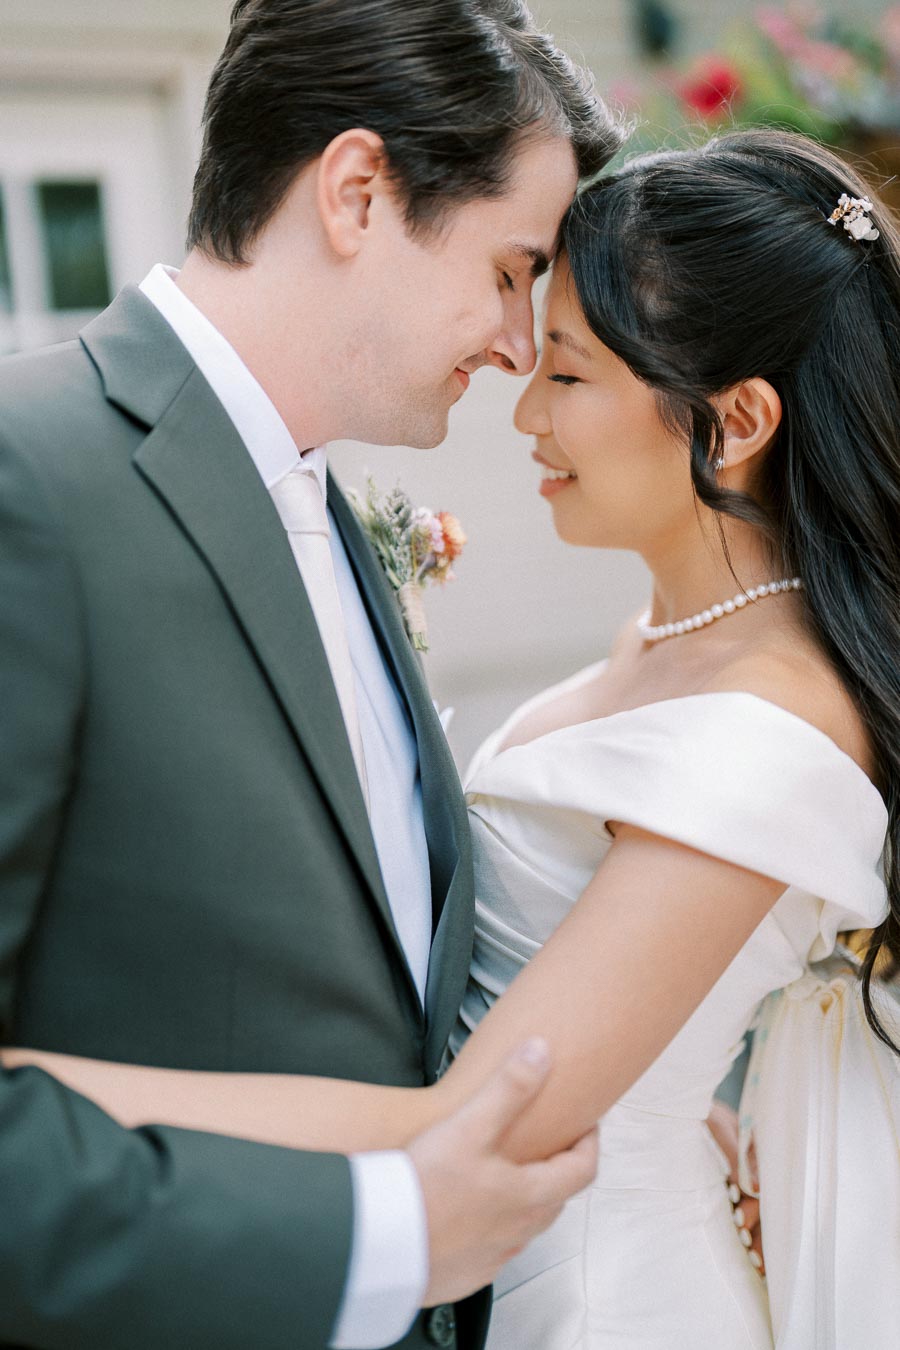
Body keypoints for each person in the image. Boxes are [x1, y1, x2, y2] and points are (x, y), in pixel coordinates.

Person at [16, 128, 900, 1347]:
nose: (524, 406)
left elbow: (482, 1115)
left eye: (574, 376)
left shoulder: (774, 724)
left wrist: (55, 1088)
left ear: (736, 420)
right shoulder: (669, 641)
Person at [0, 3, 625, 1347]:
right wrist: (377, 1235)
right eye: (512, 271)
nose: (523, 343)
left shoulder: (336, 515)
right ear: (357, 192)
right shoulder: (29, 481)